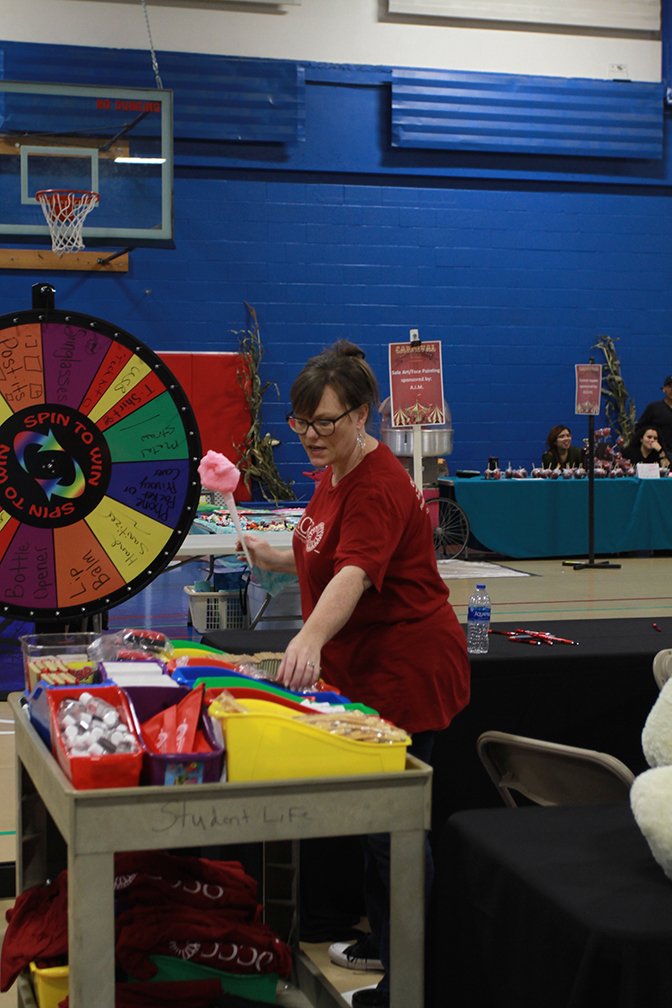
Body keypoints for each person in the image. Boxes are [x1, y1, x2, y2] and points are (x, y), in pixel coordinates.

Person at [239, 339, 471, 1008]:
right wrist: (273, 555)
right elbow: (322, 549)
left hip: (405, 670)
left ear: (363, 414)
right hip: (364, 671)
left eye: (325, 423)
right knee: (376, 823)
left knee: (391, 829)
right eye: (302, 423)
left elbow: (354, 572)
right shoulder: (336, 469)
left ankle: (409, 980)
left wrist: (309, 636)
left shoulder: (378, 484)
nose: (311, 437)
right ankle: (384, 940)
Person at [633, 376, 672, 453]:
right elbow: (640, 429)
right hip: (657, 453)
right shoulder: (654, 408)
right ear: (664, 389)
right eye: (670, 386)